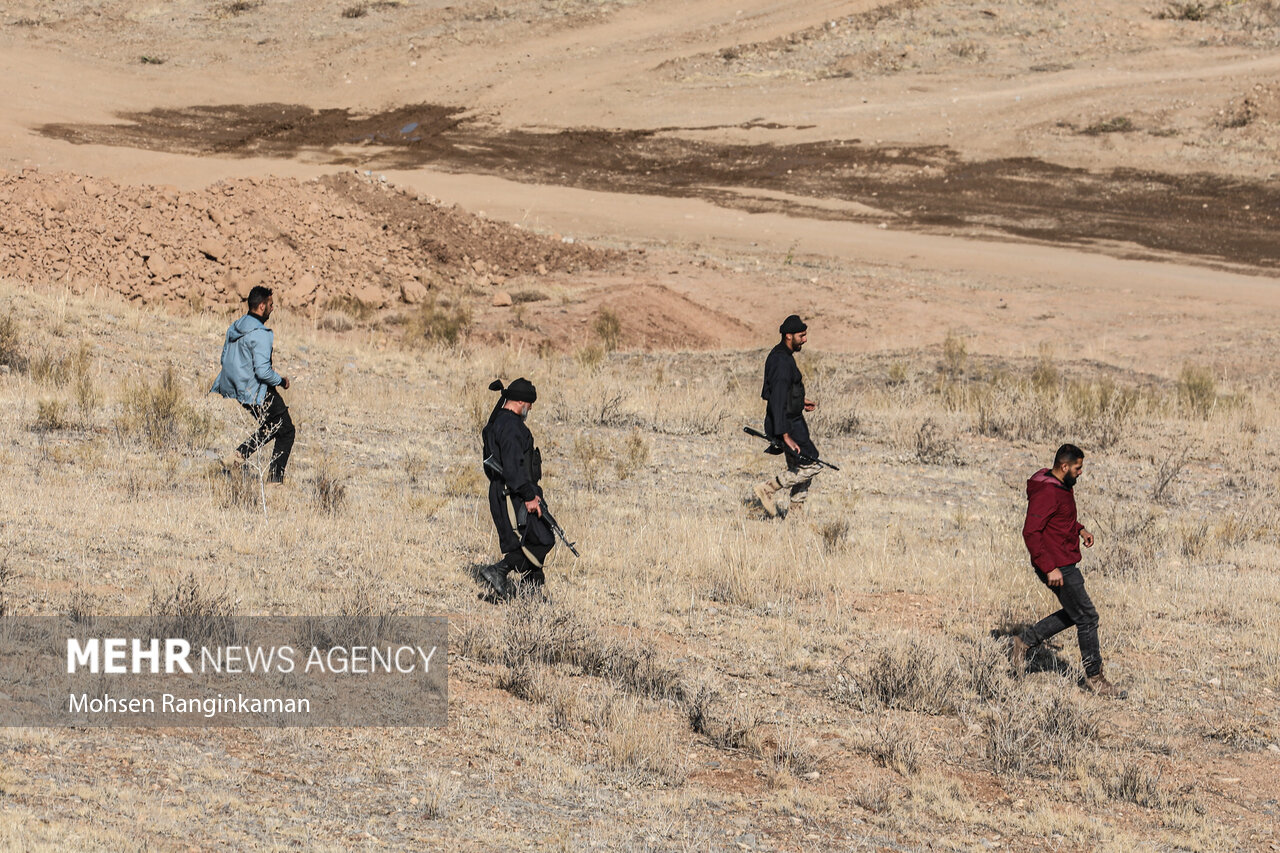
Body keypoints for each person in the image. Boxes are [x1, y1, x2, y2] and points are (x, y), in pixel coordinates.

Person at [1011, 443, 1125, 698]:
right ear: (1064, 466)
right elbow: (1031, 531)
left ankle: (1024, 641)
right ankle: (1095, 678)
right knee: (1087, 617)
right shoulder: (1047, 492)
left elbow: (1060, 519)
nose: (1080, 472)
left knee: (1077, 613)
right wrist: (1049, 567)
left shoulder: (1060, 486)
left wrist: (1079, 529)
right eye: (1078, 468)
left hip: (1063, 561)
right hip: (1056, 565)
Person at [478, 378, 555, 600]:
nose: (530, 408)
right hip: (512, 493)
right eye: (530, 404)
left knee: (533, 538)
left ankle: (530, 593)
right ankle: (499, 571)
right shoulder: (511, 426)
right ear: (521, 401)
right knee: (542, 539)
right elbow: (513, 466)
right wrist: (529, 496)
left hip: (510, 490)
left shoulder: (501, 421)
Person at [211, 286, 295, 484]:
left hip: (237, 389)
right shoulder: (261, 333)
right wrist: (281, 381)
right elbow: (263, 371)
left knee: (274, 425)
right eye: (271, 305)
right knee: (287, 430)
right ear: (261, 306)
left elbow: (224, 358)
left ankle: (237, 458)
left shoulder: (236, 326)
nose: (273, 308)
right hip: (256, 391)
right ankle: (275, 481)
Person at [753, 314, 820, 518]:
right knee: (812, 465)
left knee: (798, 467)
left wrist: (800, 401)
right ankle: (768, 488)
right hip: (788, 424)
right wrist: (785, 435)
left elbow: (782, 392)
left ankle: (795, 517)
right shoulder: (782, 361)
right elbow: (777, 399)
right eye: (801, 335)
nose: (805, 340)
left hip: (790, 421)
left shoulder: (781, 355)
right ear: (788, 336)